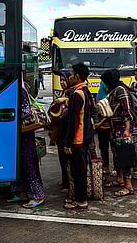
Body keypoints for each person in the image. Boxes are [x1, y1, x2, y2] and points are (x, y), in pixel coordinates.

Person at [61, 63, 94, 210]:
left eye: (72, 74)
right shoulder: (85, 92)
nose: (70, 76)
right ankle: (80, 198)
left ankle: (81, 201)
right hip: (85, 136)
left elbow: (73, 121)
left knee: (78, 171)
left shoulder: (76, 95)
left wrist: (68, 142)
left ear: (77, 76)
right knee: (81, 170)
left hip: (78, 139)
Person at [8, 80, 45, 208]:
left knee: (29, 165)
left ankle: (38, 195)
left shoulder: (21, 90)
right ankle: (21, 192)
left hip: (25, 135)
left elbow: (26, 112)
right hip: (16, 135)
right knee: (18, 165)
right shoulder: (15, 88)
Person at [101, 69, 136, 197]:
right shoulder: (113, 91)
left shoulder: (120, 90)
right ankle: (120, 179)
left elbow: (126, 111)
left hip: (122, 129)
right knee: (117, 155)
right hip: (115, 129)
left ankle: (128, 186)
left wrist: (127, 130)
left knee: (124, 156)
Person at [49, 71, 73, 192]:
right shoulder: (63, 93)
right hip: (60, 130)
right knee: (62, 158)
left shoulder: (71, 94)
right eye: (61, 80)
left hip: (67, 131)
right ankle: (65, 182)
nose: (63, 83)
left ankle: (69, 184)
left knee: (67, 159)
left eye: (65, 80)